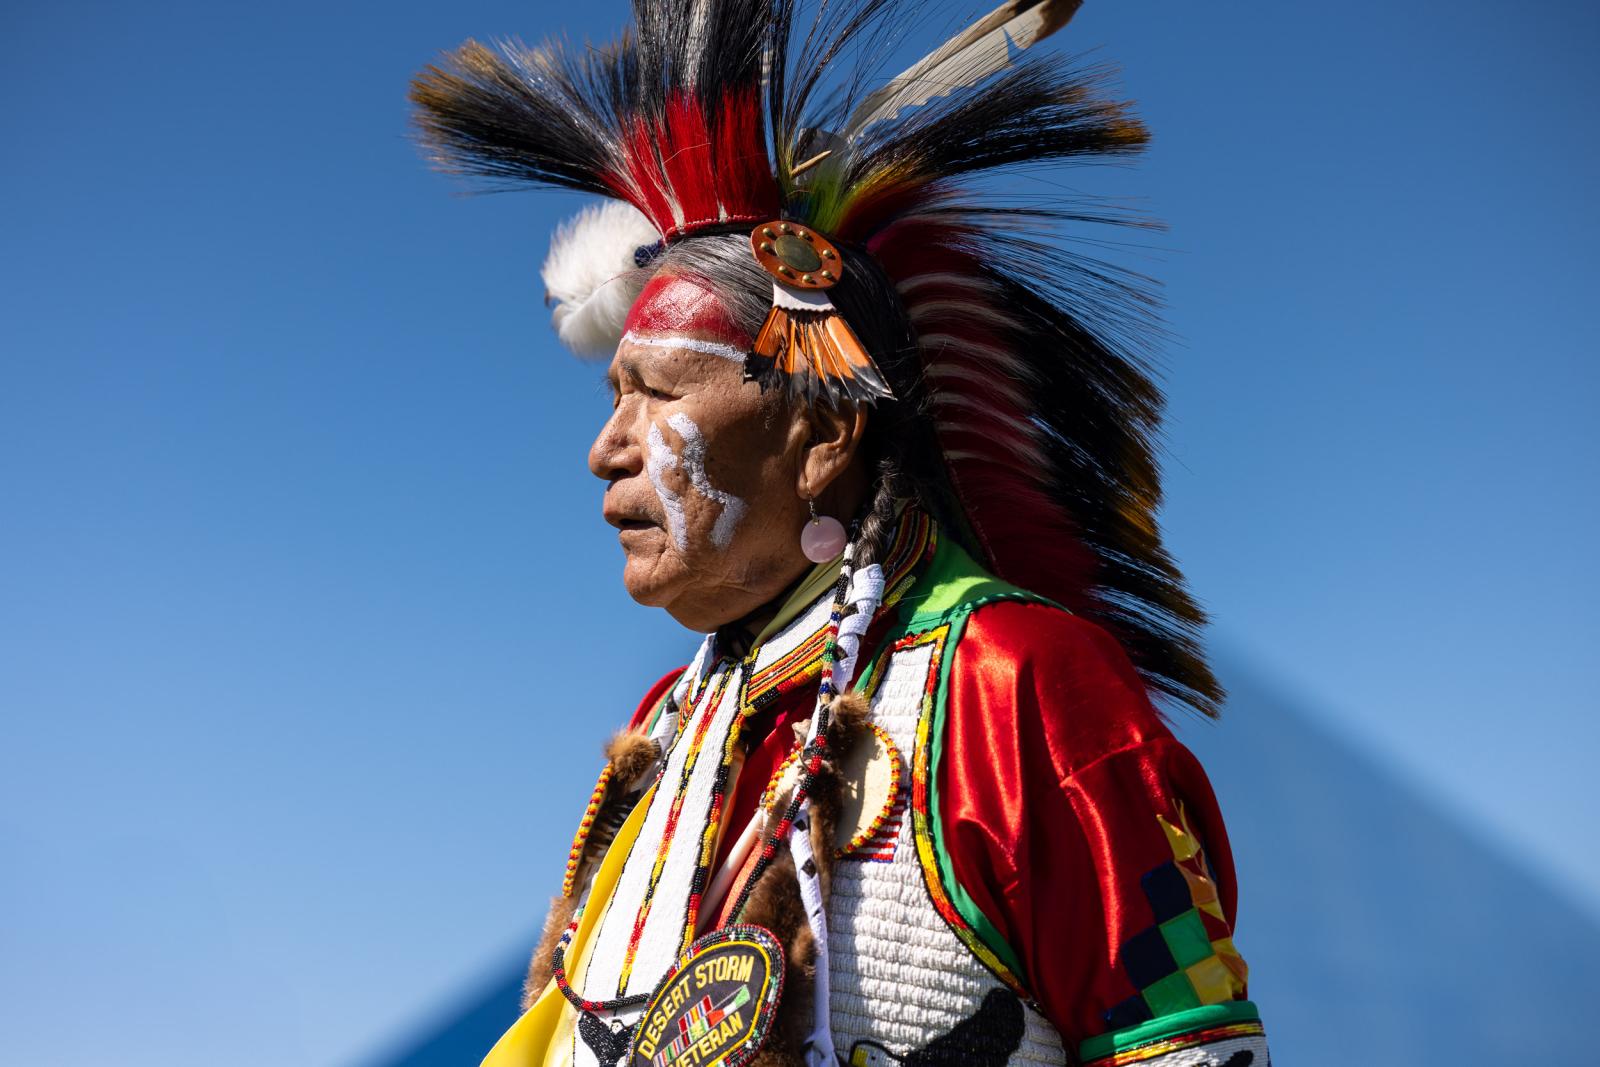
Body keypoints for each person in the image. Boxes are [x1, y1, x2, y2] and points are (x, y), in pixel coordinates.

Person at [410, 2, 1271, 1065]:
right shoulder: (668, 728)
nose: (606, 448)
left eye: (655, 395)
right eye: (609, 396)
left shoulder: (1015, 686)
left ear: (819, 435)